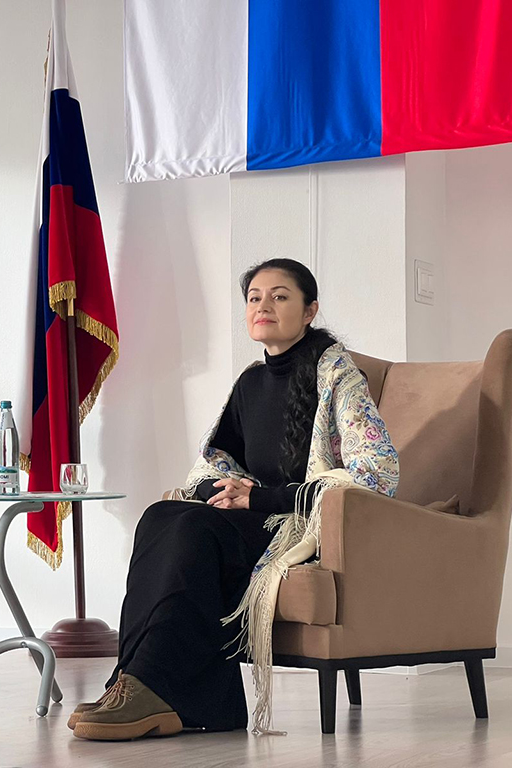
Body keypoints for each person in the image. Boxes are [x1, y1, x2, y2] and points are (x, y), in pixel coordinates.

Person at [70, 259, 400, 741]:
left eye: (280, 296)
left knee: (192, 528)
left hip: (297, 526)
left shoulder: (338, 376)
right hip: (248, 517)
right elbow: (216, 461)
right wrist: (220, 492)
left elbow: (377, 473)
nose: (264, 306)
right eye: (254, 298)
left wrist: (261, 498)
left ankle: (158, 690)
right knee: (161, 515)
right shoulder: (250, 381)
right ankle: (136, 681)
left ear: (310, 311)